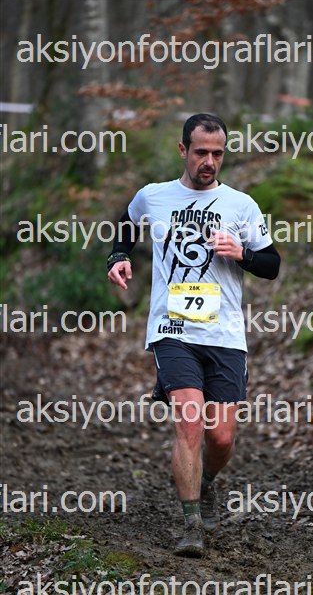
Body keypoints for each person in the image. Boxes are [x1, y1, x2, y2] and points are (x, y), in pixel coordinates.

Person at [107, 113, 280, 557]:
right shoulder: (154, 196)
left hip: (225, 334)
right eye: (201, 152)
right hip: (173, 330)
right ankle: (191, 528)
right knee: (189, 422)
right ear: (183, 150)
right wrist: (118, 256)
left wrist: (241, 253)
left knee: (220, 437)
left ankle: (208, 483)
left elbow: (272, 265)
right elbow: (124, 224)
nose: (209, 162)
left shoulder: (241, 205)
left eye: (217, 154)